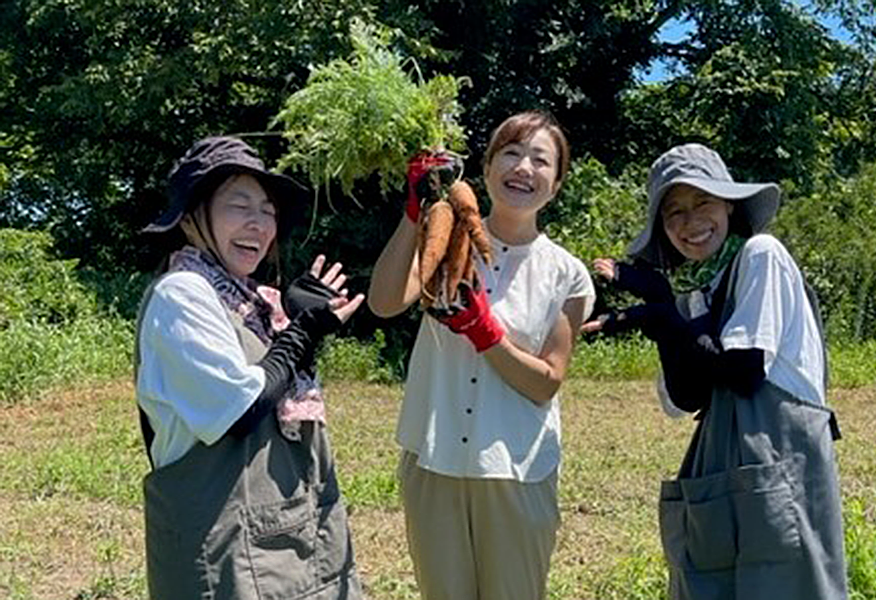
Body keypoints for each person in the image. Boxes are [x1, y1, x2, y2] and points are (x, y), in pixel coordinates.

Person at [587, 143, 847, 599]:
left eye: (702, 201)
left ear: (729, 202)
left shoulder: (761, 256)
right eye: (674, 212)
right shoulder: (703, 294)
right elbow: (687, 396)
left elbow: (745, 370)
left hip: (780, 465)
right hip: (731, 471)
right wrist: (665, 311)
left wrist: (666, 319)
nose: (690, 222)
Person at [368, 111, 595, 600]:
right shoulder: (444, 236)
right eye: (511, 153)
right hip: (435, 456)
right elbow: (384, 303)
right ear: (488, 167)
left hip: (516, 468)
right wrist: (414, 214)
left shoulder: (567, 275)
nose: (524, 168)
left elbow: (546, 381)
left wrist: (486, 335)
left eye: (541, 160)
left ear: (555, 185)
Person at [135, 136, 365, 599]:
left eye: (267, 211)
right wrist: (302, 332)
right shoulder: (182, 295)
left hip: (286, 534)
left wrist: (294, 327)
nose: (258, 224)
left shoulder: (249, 302)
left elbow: (278, 385)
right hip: (226, 548)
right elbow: (241, 409)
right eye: (238, 206)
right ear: (193, 215)